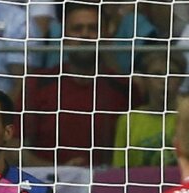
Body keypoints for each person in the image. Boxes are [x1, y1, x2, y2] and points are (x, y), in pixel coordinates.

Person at [19, 1, 135, 168]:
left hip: (108, 181)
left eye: (93, 28)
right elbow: (13, 147)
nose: (85, 35)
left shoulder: (125, 88)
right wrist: (62, 172)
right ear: (64, 38)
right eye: (77, 29)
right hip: (48, 181)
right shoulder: (37, 84)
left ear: (106, 37)